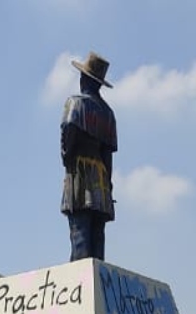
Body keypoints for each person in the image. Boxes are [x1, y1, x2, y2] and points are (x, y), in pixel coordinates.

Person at [60, 51, 117, 262]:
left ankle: (81, 286)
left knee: (80, 233)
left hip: (80, 173)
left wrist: (67, 160)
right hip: (102, 180)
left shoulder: (75, 103)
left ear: (84, 78)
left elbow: (67, 136)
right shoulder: (109, 114)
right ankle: (97, 284)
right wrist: (108, 187)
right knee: (97, 236)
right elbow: (108, 155)